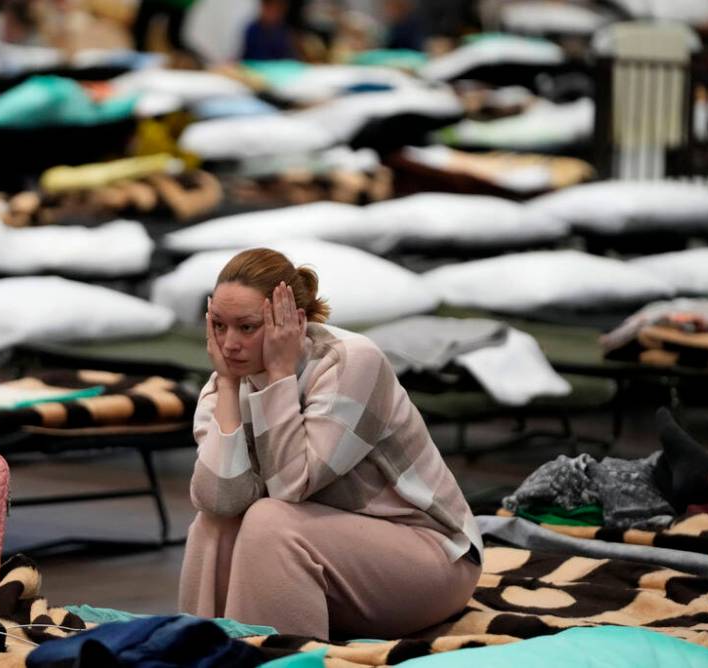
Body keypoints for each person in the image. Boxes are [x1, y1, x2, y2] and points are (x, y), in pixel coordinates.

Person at [178, 248, 482, 640]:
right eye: (218, 326)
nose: (229, 344)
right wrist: (227, 386)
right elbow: (217, 500)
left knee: (270, 519)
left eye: (247, 327)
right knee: (214, 524)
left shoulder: (351, 362)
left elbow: (291, 487)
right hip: (334, 563)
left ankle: (279, 662)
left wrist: (279, 376)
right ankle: (199, 650)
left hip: (432, 560)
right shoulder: (226, 379)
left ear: (292, 322)